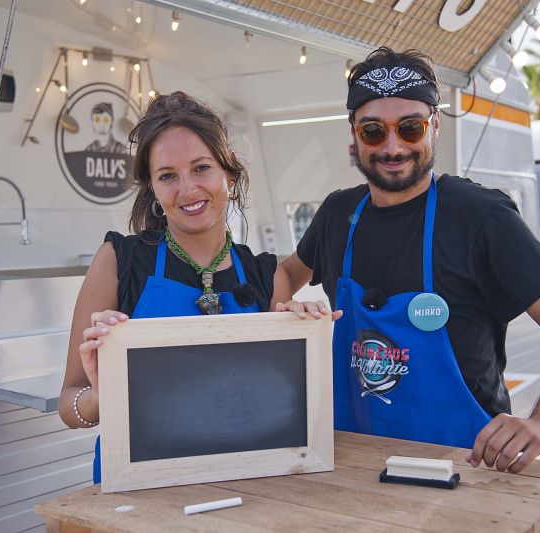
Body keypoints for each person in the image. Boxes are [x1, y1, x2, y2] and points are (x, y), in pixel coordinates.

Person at [277, 47, 540, 474]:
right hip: (354, 464)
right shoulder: (338, 214)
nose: (393, 147)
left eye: (410, 127)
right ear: (354, 136)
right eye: (373, 131)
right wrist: (283, 315)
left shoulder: (481, 216)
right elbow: (285, 273)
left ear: (434, 126)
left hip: (463, 469)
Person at [59, 91, 336, 483]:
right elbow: (69, 405)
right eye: (167, 176)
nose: (187, 190)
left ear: (229, 172)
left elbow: (288, 410)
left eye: (201, 168)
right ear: (152, 188)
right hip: (138, 490)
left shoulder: (266, 276)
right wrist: (102, 396)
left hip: (248, 483)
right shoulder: (119, 261)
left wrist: (302, 339)